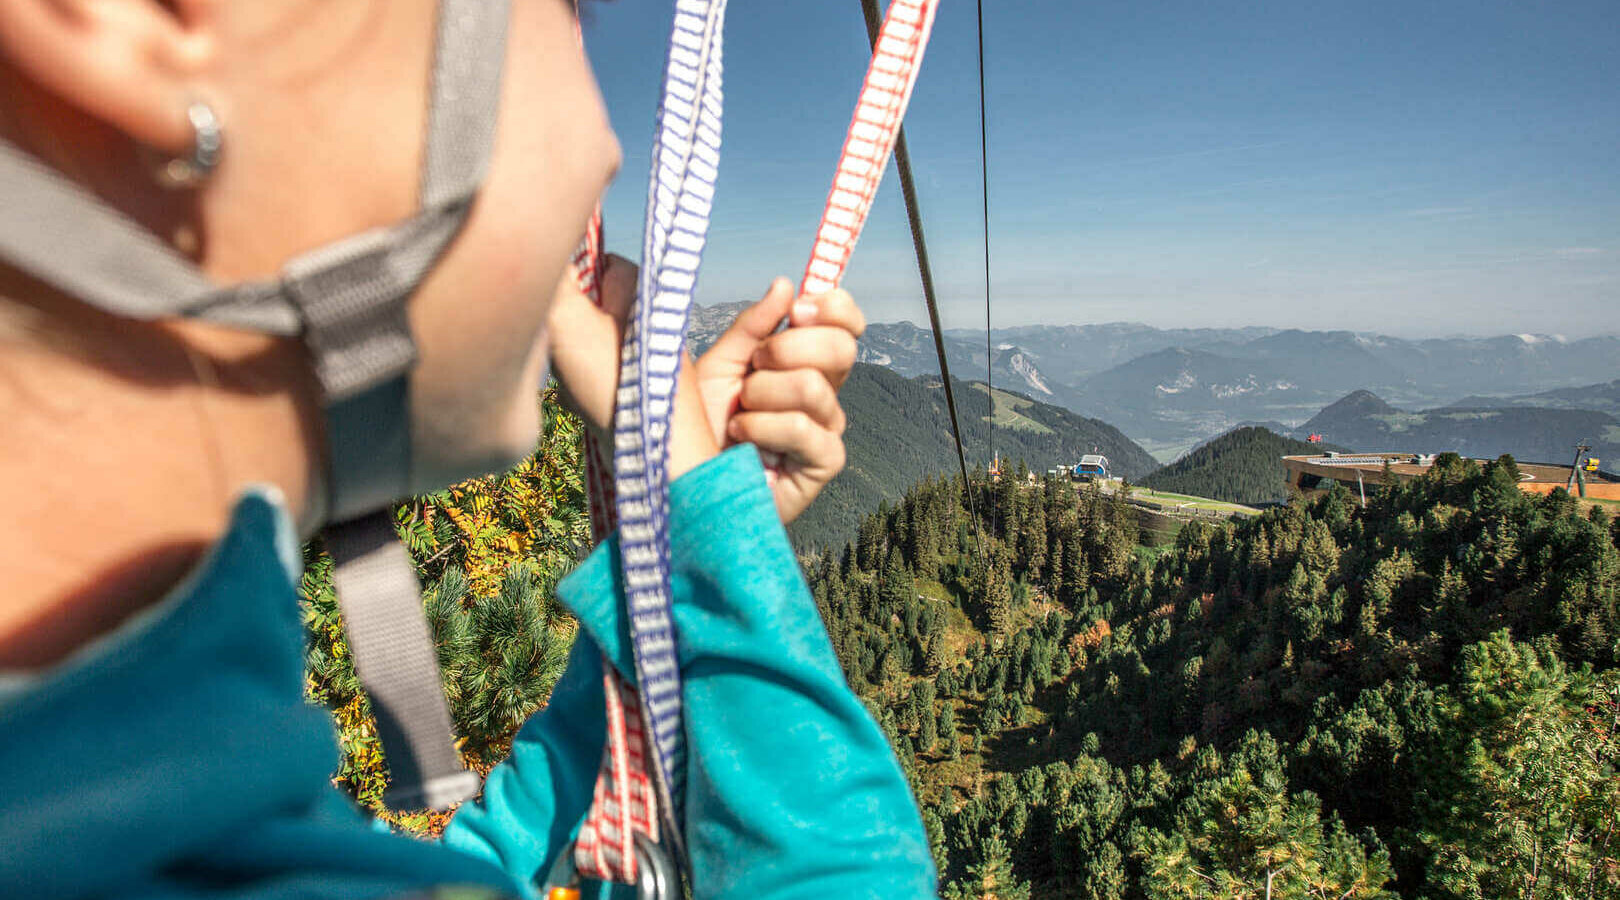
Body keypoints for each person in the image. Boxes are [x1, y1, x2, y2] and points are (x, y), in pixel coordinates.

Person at [0, 1, 935, 897]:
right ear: (131, 22)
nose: (607, 147)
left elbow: (500, 876)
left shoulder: (126, 819)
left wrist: (680, 545)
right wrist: (709, 534)